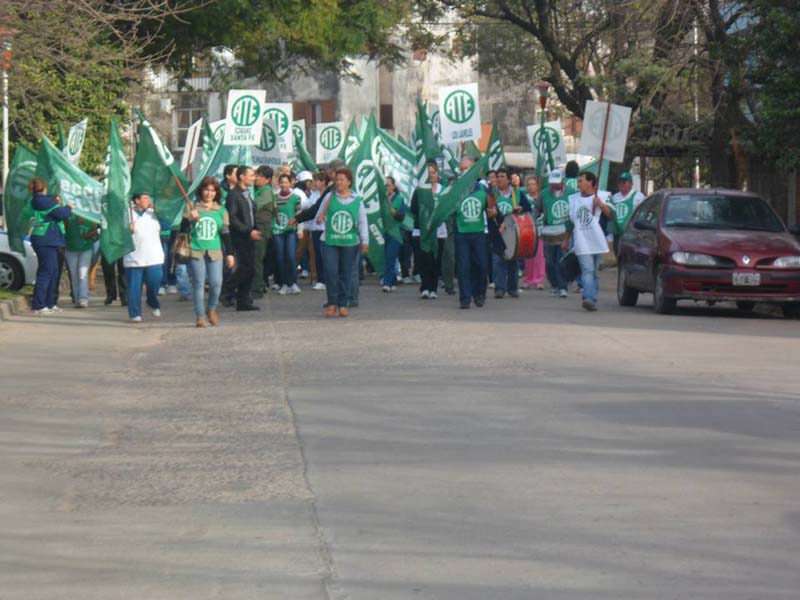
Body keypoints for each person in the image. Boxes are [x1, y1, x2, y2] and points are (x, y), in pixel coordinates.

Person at [181, 177, 236, 327]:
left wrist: (230, 254)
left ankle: (211, 308)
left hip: (215, 250)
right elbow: (182, 231)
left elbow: (225, 234)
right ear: (201, 191)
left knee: (216, 283)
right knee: (199, 283)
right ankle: (200, 316)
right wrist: (189, 220)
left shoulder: (221, 210)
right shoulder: (192, 207)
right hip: (196, 249)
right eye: (206, 190)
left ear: (216, 193)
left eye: (212, 190)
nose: (209, 193)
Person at [316, 167, 369, 317]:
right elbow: (319, 216)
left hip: (350, 243)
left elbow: (362, 222)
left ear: (349, 182)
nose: (338, 182)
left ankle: (343, 303)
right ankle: (332, 302)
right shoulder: (329, 197)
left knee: (346, 273)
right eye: (337, 179)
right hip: (329, 241)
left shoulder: (357, 200)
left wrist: (365, 240)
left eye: (342, 180)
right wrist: (320, 219)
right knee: (331, 272)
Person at [562, 171, 612, 312]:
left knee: (594, 272)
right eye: (578, 181)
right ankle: (588, 297)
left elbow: (610, 216)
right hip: (581, 240)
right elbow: (570, 222)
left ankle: (592, 298)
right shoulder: (574, 199)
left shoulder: (602, 196)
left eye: (581, 181)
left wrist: (601, 205)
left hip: (596, 240)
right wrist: (566, 239)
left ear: (590, 182)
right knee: (587, 269)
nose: (578, 184)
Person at [28, 177, 72, 315]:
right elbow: (62, 214)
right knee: (46, 273)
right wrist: (68, 207)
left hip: (45, 239)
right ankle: (38, 305)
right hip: (46, 240)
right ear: (44, 188)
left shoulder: (35, 200)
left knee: (52, 272)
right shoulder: (46, 201)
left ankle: (49, 303)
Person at [222, 165, 262, 311]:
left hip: (250, 236)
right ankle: (226, 290)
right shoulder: (234, 195)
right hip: (240, 237)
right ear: (241, 177)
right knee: (245, 268)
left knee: (250, 269)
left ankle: (243, 301)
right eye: (251, 175)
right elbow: (232, 218)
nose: (254, 178)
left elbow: (251, 214)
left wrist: (255, 229)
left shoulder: (247, 194)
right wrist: (248, 231)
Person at [490, 168, 532, 299]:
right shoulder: (492, 194)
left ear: (508, 179)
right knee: (498, 260)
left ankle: (512, 288)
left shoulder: (517, 193)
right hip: (497, 231)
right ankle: (500, 288)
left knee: (513, 260)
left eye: (502, 176)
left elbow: (528, 209)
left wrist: (521, 208)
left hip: (513, 232)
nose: (499, 179)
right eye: (497, 176)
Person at [454, 168, 493, 309]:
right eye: (462, 169)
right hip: (461, 233)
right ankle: (465, 298)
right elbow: (449, 209)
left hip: (479, 233)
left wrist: (493, 212)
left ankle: (479, 293)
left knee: (482, 265)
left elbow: (492, 210)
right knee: (463, 266)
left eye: (467, 169)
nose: (464, 172)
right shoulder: (456, 191)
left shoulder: (483, 190)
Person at [124, 193, 164, 322]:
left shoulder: (154, 214)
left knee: (154, 283)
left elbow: (167, 225)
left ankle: (152, 302)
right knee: (134, 288)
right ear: (137, 200)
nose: (148, 200)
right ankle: (135, 313)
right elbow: (117, 233)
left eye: (149, 197)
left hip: (154, 257)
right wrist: (126, 229)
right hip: (134, 258)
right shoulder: (127, 214)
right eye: (145, 198)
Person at [411, 162, 446, 299]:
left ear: (437, 174)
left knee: (435, 260)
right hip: (422, 231)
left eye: (433, 172)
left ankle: (433, 288)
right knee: (423, 259)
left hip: (439, 231)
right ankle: (424, 287)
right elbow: (413, 208)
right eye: (428, 173)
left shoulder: (443, 190)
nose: (431, 175)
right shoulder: (420, 190)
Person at [541, 169, 570, 298]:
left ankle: (563, 286)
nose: (553, 185)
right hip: (549, 231)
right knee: (549, 261)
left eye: (556, 182)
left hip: (565, 232)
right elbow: (537, 209)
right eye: (551, 183)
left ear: (562, 181)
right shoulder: (544, 194)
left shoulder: (571, 194)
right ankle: (554, 284)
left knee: (561, 260)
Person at [272, 173, 302, 295]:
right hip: (277, 231)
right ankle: (284, 283)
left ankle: (293, 283)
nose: (284, 184)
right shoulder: (274, 197)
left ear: (290, 183)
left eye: (286, 182)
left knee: (290, 256)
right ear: (279, 183)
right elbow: (272, 214)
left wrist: (300, 230)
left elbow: (299, 214)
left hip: (290, 230)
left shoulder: (296, 198)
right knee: (280, 257)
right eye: (282, 182)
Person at [64, 216, 99, 308]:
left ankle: (83, 299)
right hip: (71, 248)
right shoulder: (68, 215)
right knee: (74, 275)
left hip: (86, 249)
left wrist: (88, 234)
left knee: (83, 274)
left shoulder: (89, 216)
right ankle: (76, 299)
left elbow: (95, 233)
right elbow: (65, 230)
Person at [251, 165, 275, 297]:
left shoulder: (266, 191)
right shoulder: (257, 189)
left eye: (259, 176)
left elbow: (255, 206)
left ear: (267, 180)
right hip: (256, 227)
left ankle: (257, 287)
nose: (256, 178)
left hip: (261, 228)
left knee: (257, 259)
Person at [609, 171, 646, 254]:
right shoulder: (615, 197)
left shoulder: (638, 196)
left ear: (631, 184)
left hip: (631, 233)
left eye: (623, 182)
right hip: (618, 234)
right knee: (618, 255)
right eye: (619, 182)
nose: (621, 184)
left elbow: (642, 214)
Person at [521, 175, 546, 290]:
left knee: (539, 256)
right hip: (528, 231)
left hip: (540, 229)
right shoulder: (525, 198)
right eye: (529, 185)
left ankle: (539, 280)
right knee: (528, 256)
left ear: (538, 186)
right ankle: (528, 279)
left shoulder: (542, 197)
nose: (531, 187)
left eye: (533, 184)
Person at [381, 176, 403, 292]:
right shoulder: (381, 200)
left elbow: (402, 217)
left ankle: (387, 283)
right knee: (387, 258)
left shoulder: (399, 199)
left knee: (390, 257)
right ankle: (393, 281)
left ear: (393, 187)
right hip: (384, 232)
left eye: (388, 185)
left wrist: (394, 211)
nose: (386, 188)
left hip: (395, 233)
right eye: (385, 186)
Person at [309, 171, 330, 291]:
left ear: (323, 182)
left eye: (316, 180)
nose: (314, 183)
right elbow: (307, 206)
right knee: (317, 254)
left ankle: (327, 279)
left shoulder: (329, 194)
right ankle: (321, 279)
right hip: (316, 228)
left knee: (326, 255)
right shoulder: (314, 194)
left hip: (326, 228)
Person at [294, 171, 316, 282]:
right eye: (308, 181)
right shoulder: (297, 192)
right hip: (302, 225)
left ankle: (313, 275)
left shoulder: (309, 192)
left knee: (312, 252)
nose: (310, 183)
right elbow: (301, 207)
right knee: (299, 251)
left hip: (310, 225)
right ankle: (292, 274)